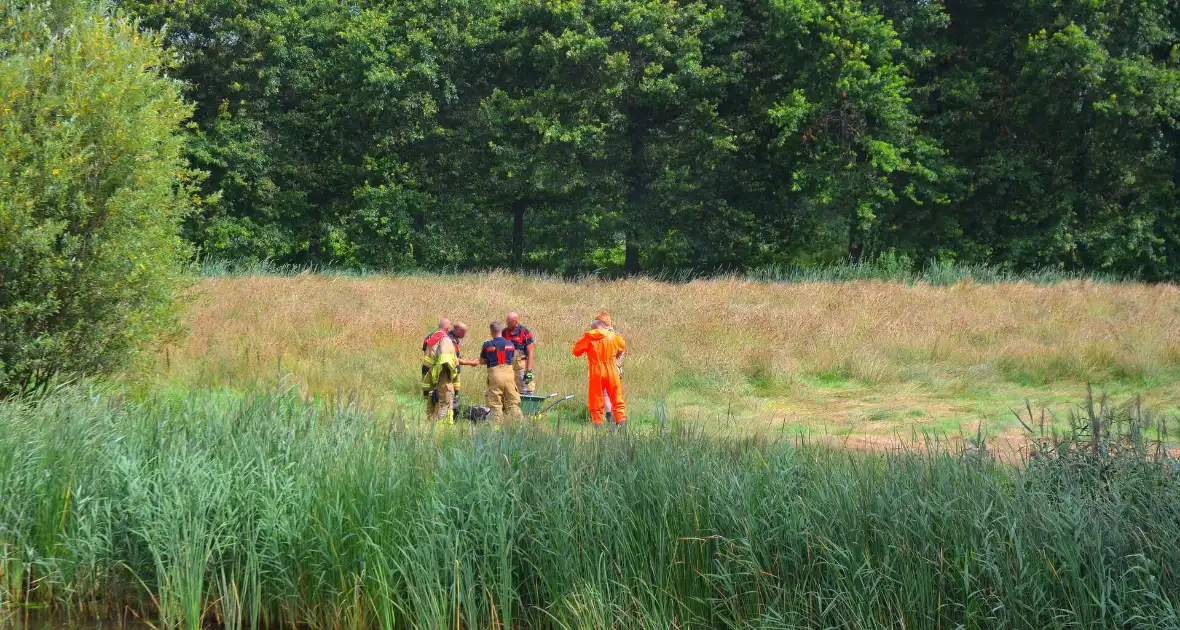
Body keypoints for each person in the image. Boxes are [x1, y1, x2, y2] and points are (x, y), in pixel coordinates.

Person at [572, 318, 627, 428]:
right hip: (612, 371)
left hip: (596, 372)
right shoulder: (613, 336)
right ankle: (622, 426)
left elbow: (576, 351)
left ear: (593, 328)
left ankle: (597, 428)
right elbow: (622, 346)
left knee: (595, 400)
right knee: (617, 399)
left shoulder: (588, 337)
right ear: (603, 326)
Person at [479, 322, 522, 424]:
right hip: (509, 375)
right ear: (501, 331)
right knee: (512, 402)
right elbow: (511, 358)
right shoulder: (511, 345)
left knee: (495, 403)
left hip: (495, 375)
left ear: (491, 332)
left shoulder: (487, 345)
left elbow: (481, 361)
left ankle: (497, 427)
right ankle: (519, 425)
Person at [421, 318, 459, 423]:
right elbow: (446, 361)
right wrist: (454, 372)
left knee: (430, 403)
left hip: (429, 375)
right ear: (447, 328)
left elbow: (428, 359)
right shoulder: (445, 339)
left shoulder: (430, 337)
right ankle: (443, 428)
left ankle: (430, 425)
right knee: (445, 403)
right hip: (442, 376)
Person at [595, 311, 624, 423]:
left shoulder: (598, 335)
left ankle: (609, 419)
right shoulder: (616, 335)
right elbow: (621, 351)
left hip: (603, 369)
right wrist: (618, 360)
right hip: (616, 369)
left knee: (606, 395)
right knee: (616, 395)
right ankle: (619, 420)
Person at [449, 322, 482, 414]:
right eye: (464, 332)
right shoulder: (450, 340)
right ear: (457, 330)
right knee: (451, 395)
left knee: (455, 394)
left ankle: (453, 413)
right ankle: (451, 414)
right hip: (450, 373)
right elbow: (454, 359)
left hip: (454, 372)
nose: (465, 334)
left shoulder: (455, 339)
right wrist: (470, 362)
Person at [503, 312, 536, 394]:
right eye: (507, 322)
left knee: (526, 389)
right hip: (507, 367)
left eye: (509, 322)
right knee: (508, 390)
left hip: (521, 367)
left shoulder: (525, 333)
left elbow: (530, 353)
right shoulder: (504, 333)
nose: (507, 324)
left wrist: (529, 371)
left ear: (515, 322)